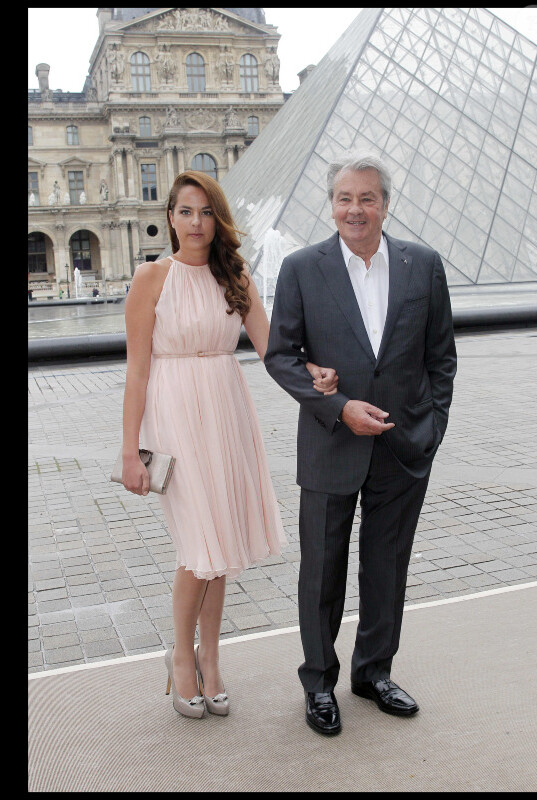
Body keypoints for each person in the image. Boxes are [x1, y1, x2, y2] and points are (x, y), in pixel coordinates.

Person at [121, 170, 337, 719]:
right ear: (170, 217)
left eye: (206, 212)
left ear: (218, 219)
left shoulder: (232, 272)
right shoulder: (151, 278)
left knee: (220, 547)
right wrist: (130, 451)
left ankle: (210, 658)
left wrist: (310, 370)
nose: (196, 223)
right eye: (186, 211)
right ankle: (179, 659)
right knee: (199, 546)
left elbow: (271, 347)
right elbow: (137, 372)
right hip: (173, 415)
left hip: (225, 409)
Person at [265, 151, 457, 735]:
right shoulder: (301, 268)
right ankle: (319, 683)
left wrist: (432, 428)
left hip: (402, 448)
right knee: (320, 571)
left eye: (367, 198)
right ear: (332, 205)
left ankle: (373, 673)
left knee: (386, 568)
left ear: (385, 204)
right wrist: (336, 406)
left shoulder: (422, 264)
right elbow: (281, 356)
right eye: (345, 198)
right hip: (331, 444)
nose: (355, 209)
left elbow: (440, 357)